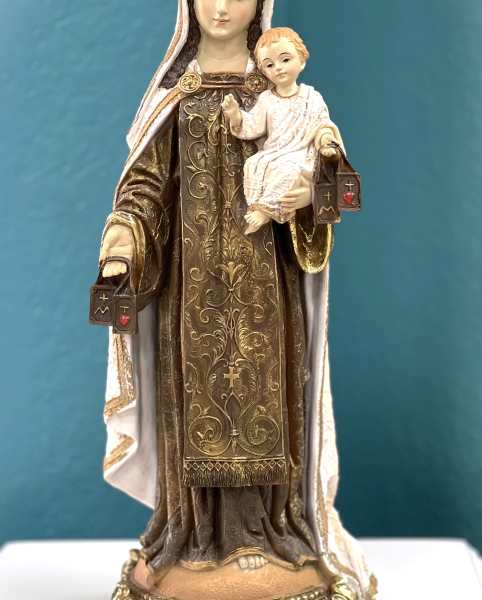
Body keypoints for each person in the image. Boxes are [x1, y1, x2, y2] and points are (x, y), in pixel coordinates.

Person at [96, 1, 377, 598]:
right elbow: (146, 186)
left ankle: (271, 536)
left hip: (266, 283)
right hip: (190, 287)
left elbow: (326, 177)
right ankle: (192, 539)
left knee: (268, 391)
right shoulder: (175, 92)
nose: (222, 6)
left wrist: (312, 188)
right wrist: (123, 237)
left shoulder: (282, 90)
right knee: (194, 397)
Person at [221, 27, 341, 234]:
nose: (278, 68)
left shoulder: (312, 97)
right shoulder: (267, 99)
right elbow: (252, 125)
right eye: (270, 64)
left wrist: (325, 138)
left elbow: (322, 124)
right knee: (253, 164)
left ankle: (266, 212)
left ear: (301, 61)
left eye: (285, 59)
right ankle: (257, 206)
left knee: (288, 170)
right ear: (264, 71)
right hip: (275, 152)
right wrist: (236, 115)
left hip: (301, 153)